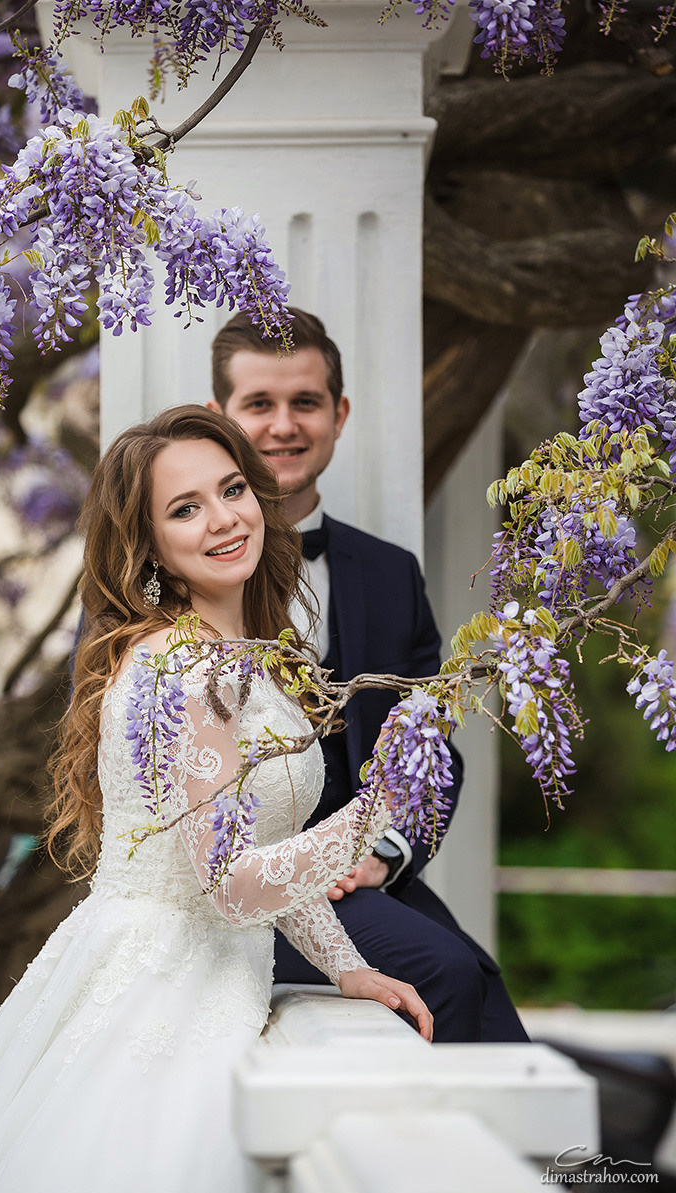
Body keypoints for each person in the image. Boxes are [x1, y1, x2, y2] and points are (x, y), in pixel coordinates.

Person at [0, 406, 431, 1193]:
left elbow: (266, 843)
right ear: (151, 548)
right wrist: (375, 811)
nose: (222, 519)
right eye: (184, 509)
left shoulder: (240, 657)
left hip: (210, 978)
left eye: (231, 489)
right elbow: (232, 884)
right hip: (161, 988)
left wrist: (347, 968)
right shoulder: (179, 670)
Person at [209, 308, 529, 1043]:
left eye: (306, 403)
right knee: (445, 972)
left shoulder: (388, 574)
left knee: (485, 997)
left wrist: (383, 855)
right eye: (259, 404)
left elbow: (429, 749)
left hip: (362, 877)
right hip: (233, 884)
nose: (284, 425)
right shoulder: (161, 571)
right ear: (216, 417)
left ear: (339, 413)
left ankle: (538, 1162)